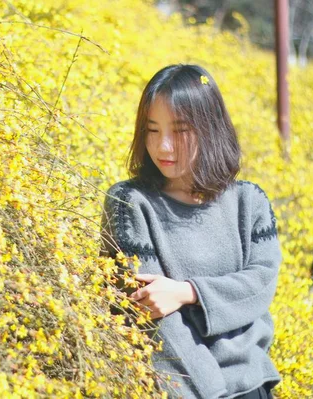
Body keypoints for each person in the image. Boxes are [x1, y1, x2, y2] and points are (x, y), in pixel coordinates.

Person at [99, 64, 283, 399]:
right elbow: (154, 316)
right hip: (185, 389)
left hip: (255, 384)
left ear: (210, 128)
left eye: (179, 131)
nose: (163, 147)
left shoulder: (249, 200)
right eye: (152, 131)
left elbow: (261, 284)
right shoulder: (129, 203)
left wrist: (188, 292)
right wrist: (210, 391)